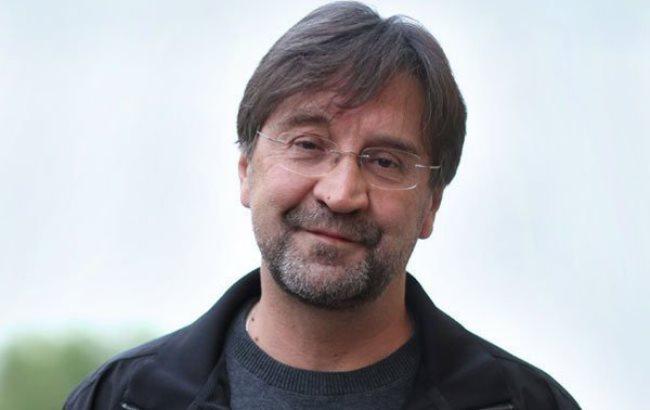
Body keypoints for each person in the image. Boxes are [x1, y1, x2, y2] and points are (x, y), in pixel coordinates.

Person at [65, 2, 580, 409]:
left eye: (385, 161)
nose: (340, 193)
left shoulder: (529, 404)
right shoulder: (116, 400)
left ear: (431, 206)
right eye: (308, 145)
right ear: (246, 171)